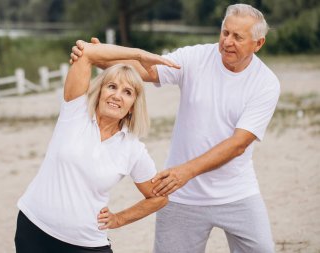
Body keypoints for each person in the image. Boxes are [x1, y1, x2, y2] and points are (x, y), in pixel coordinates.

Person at [70, 3, 280, 253]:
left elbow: (238, 144)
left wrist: (185, 172)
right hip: (181, 197)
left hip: (237, 193)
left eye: (238, 37)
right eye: (225, 32)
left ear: (258, 44)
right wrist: (102, 56)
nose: (227, 42)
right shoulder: (196, 57)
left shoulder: (265, 83)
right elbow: (148, 71)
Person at [15, 42, 180, 253]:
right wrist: (139, 54)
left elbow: (158, 198)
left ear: (132, 106)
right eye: (112, 86)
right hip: (34, 229)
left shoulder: (133, 149)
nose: (117, 95)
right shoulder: (75, 113)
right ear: (100, 91)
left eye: (127, 92)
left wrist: (119, 219)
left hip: (87, 243)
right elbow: (86, 53)